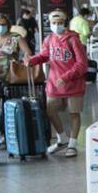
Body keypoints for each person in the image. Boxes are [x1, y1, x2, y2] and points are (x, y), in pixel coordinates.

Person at [26, 9, 89, 158]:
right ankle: (62, 138)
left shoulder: (73, 40)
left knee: (74, 113)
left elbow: (82, 64)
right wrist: (32, 60)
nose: (56, 25)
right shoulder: (49, 39)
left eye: (60, 23)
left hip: (73, 84)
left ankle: (73, 143)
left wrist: (67, 77)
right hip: (54, 84)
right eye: (54, 23)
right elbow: (44, 55)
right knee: (50, 111)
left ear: (65, 23)